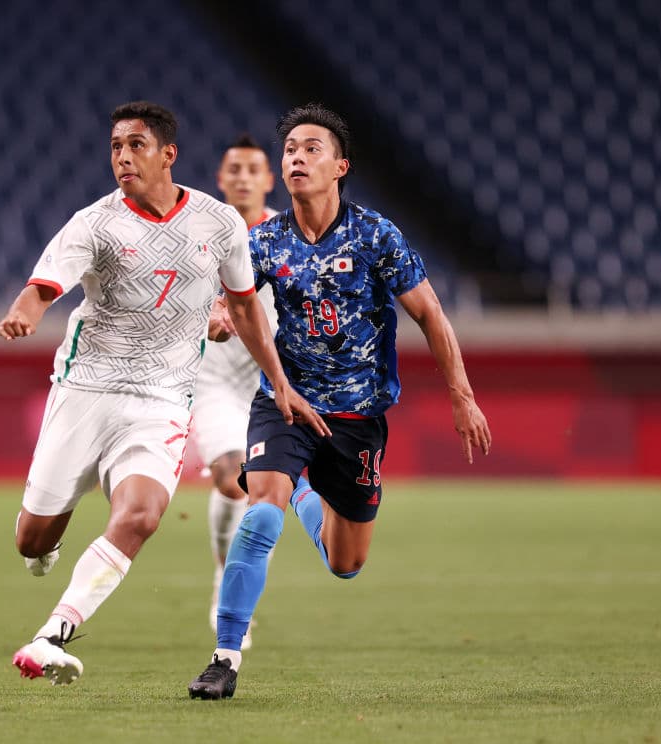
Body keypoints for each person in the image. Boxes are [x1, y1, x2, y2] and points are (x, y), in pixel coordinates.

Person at [0, 100, 329, 686]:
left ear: (168, 154)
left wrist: (279, 382)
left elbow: (248, 306)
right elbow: (43, 286)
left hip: (164, 397)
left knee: (143, 515)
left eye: (135, 145)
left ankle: (53, 635)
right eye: (115, 147)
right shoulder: (95, 223)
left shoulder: (217, 223)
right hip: (87, 390)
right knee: (32, 539)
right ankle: (43, 549)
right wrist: (24, 311)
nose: (122, 157)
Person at [188, 103, 492, 700]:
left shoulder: (377, 235)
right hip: (286, 401)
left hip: (356, 419)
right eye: (291, 149)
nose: (297, 157)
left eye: (311, 149)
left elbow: (430, 312)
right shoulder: (264, 240)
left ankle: (306, 490)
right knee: (259, 518)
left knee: (345, 563)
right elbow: (238, 302)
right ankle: (224, 658)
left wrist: (462, 395)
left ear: (340, 165)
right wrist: (223, 317)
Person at [191, 134, 279, 650]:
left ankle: (232, 588)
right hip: (216, 378)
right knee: (232, 479)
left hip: (270, 377)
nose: (243, 177)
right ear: (222, 179)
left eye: (253, 169)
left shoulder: (287, 235)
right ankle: (226, 578)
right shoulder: (199, 233)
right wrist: (206, 314)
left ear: (267, 181)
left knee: (264, 494)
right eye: (235, 169)